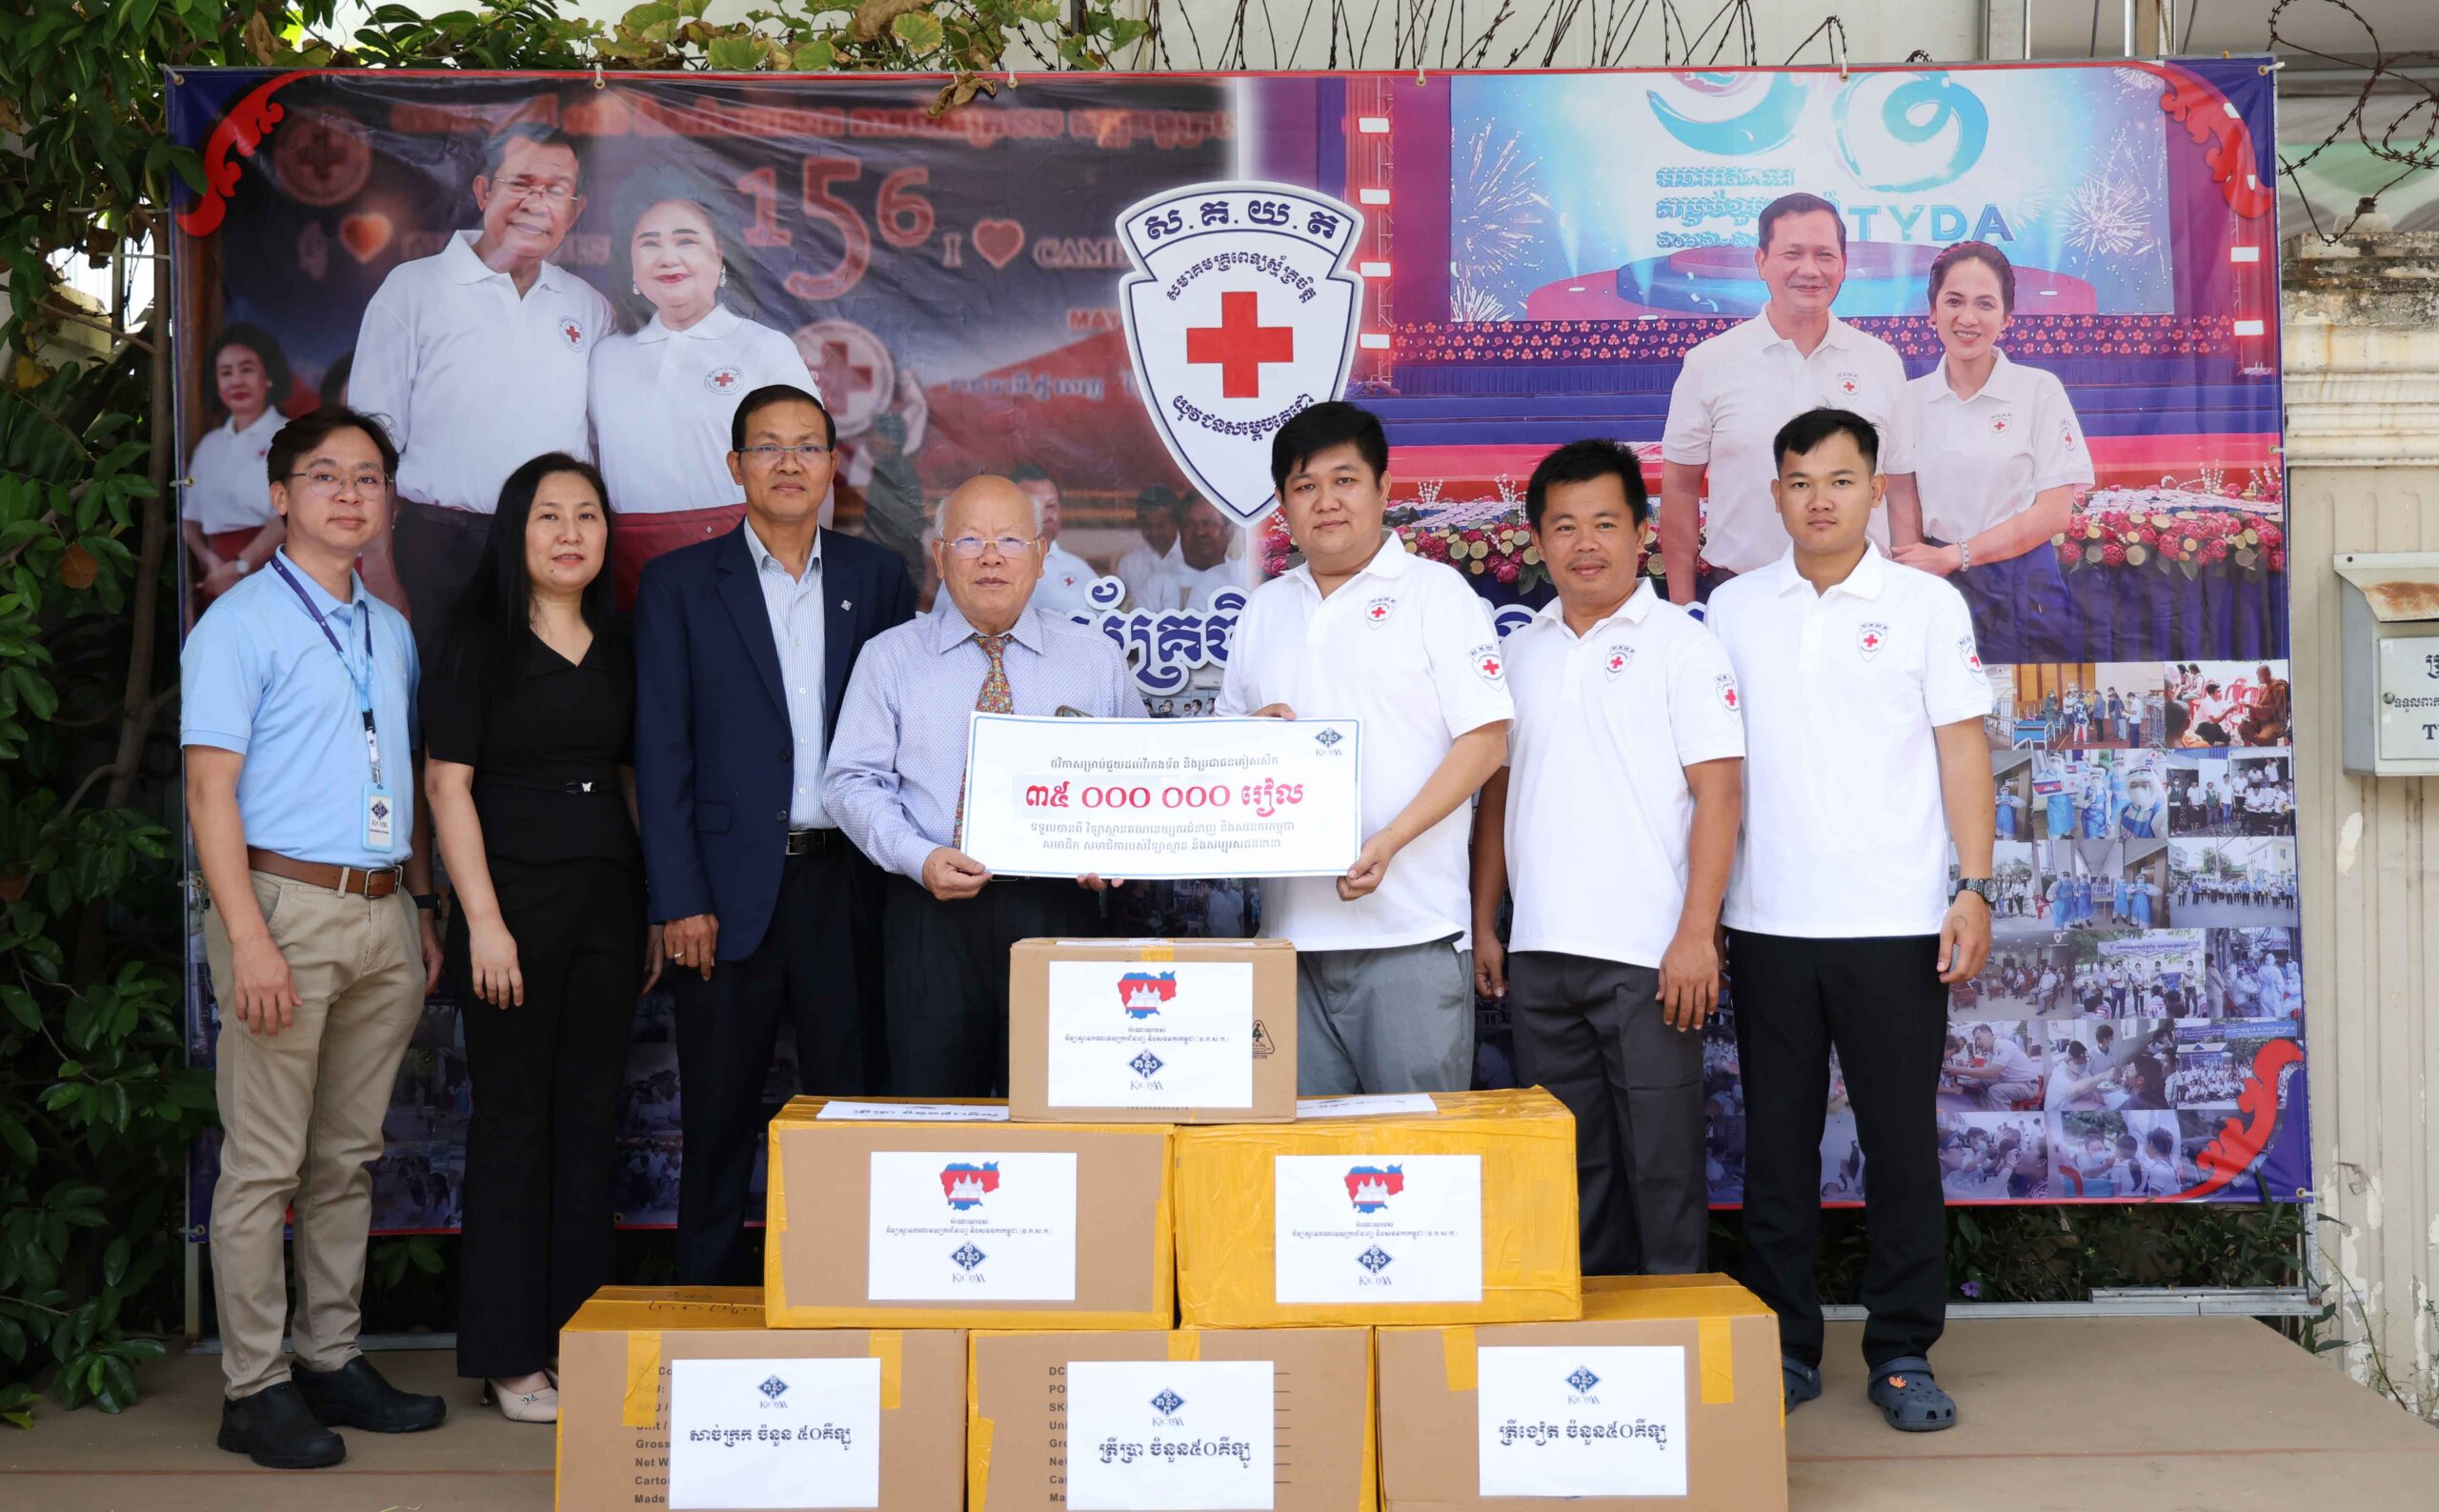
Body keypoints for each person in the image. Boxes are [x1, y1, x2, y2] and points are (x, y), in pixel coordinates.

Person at [1705, 407, 1992, 1432]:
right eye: (1798, 481)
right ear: (1775, 494)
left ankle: (1903, 1349)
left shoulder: (1924, 606)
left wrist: (1974, 886)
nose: (1818, 499)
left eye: (1838, 480)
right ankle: (1783, 1345)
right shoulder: (1732, 609)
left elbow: (1962, 751)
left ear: (1877, 490)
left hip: (1896, 922)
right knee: (1775, 1147)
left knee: (1899, 1145)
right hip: (1767, 922)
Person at [182, 409, 448, 1467]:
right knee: (264, 1163)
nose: (349, 494)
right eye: (326, 476)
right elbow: (209, 793)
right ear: (280, 495)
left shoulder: (390, 627)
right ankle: (253, 1387)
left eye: (368, 477)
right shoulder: (239, 622)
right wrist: (247, 938)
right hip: (281, 907)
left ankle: (330, 1357)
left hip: (382, 911)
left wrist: (420, 906)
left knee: (347, 1156)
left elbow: (402, 775)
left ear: (387, 500)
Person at [632, 384, 916, 1283]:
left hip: (848, 884)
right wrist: (679, 896)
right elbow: (661, 749)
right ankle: (705, 1307)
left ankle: (846, 1295)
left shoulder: (877, 578)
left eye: (807, 446)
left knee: (851, 1109)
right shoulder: (680, 584)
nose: (789, 463)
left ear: (834, 465)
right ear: (735, 466)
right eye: (767, 446)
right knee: (717, 1119)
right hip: (723, 896)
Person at [1470, 439, 1744, 1276]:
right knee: (1572, 1172)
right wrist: (1485, 922)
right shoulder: (1519, 653)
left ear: (1641, 532)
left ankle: (1677, 1340)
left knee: (1662, 1172)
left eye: (1604, 523)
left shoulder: (1684, 645)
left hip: (1650, 961)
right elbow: (1496, 798)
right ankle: (1591, 1337)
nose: (1584, 543)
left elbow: (1720, 795)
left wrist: (1696, 935)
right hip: (1541, 957)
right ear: (1537, 540)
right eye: (1564, 526)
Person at [422, 454, 658, 1421]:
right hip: (510, 908)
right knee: (514, 1129)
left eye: (587, 516)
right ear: (515, 531)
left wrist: (652, 905)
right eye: (549, 516)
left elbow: (633, 776)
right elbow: (446, 786)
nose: (570, 534)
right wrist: (481, 922)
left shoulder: (622, 639)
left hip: (609, 905)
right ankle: (511, 1356)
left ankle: (580, 1342)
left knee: (590, 1126)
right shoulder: (475, 637)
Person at [1219, 402, 1513, 1094]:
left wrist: (1391, 840)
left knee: (1412, 1150)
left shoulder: (1436, 595)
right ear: (1284, 505)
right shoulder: (1265, 610)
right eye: (1305, 485)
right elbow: (1227, 749)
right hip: (1291, 943)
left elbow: (1485, 742)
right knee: (1302, 1153)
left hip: (1410, 935)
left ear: (1384, 488)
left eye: (1344, 480)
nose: (1326, 501)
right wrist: (1252, 733)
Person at [826, 474, 1140, 1097]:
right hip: (931, 914)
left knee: (1062, 1106)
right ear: (939, 556)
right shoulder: (891, 657)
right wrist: (918, 857)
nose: (991, 556)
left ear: (1041, 555)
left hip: (1058, 909)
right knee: (935, 1111)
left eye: (1010, 540)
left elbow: (1136, 777)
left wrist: (1113, 848)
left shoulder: (1093, 658)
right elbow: (850, 782)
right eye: (969, 540)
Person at [352, 121, 614, 642]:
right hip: (438, 547)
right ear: (483, 191)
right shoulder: (413, 289)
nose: (535, 203)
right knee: (441, 689)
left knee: (546, 686)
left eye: (556, 190)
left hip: (553, 549)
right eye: (521, 183)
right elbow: (369, 447)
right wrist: (377, 562)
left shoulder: (588, 306)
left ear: (575, 211)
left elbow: (605, 443)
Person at [1660, 193, 1917, 603]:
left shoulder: (1881, 361)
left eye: (1824, 255)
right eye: (1792, 254)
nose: (1809, 270)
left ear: (1844, 264)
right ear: (1761, 261)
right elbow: (1679, 490)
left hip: (1862, 601)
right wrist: (1682, 608)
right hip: (1742, 597)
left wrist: (1908, 598)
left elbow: (1900, 490)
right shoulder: (1710, 362)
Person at [588, 168, 822, 609]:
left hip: (744, 563)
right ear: (630, 263)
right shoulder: (605, 357)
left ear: (721, 255)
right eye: (649, 243)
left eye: (686, 240)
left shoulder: (765, 348)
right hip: (632, 569)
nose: (668, 257)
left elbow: (812, 465)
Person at [184, 324, 293, 605]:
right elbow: (189, 517)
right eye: (226, 373)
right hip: (216, 574)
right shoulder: (209, 445)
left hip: (277, 571)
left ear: (268, 376)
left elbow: (291, 513)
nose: (236, 381)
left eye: (246, 370)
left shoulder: (292, 436)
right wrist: (210, 561)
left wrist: (241, 565)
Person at [1010, 462, 1099, 619]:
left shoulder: (1078, 569)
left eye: (1051, 506)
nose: (1048, 516)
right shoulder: (994, 564)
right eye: (1035, 506)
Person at [1146, 494, 1248, 611]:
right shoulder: (1156, 585)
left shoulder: (1244, 577)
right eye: (1189, 524)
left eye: (1208, 523)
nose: (1200, 532)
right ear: (1180, 530)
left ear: (1229, 531)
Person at [1116, 484, 1185, 608]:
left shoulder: (1195, 559)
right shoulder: (1129, 564)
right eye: (1147, 526)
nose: (1154, 533)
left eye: (1160, 526)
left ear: (1176, 523)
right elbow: (1120, 610)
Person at [1945, 1024, 2039, 1110]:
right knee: (1982, 1082)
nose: (1977, 1043)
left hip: (2027, 1085)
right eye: (1975, 1040)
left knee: (1995, 1091)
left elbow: (1991, 1073)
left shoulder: (2003, 1045)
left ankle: (2001, 1118)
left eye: (1979, 1038)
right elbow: (1985, 1074)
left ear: (1989, 1035)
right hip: (2013, 1082)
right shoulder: (1990, 1053)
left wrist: (1958, 1070)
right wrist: (1967, 1079)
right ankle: (1987, 1110)